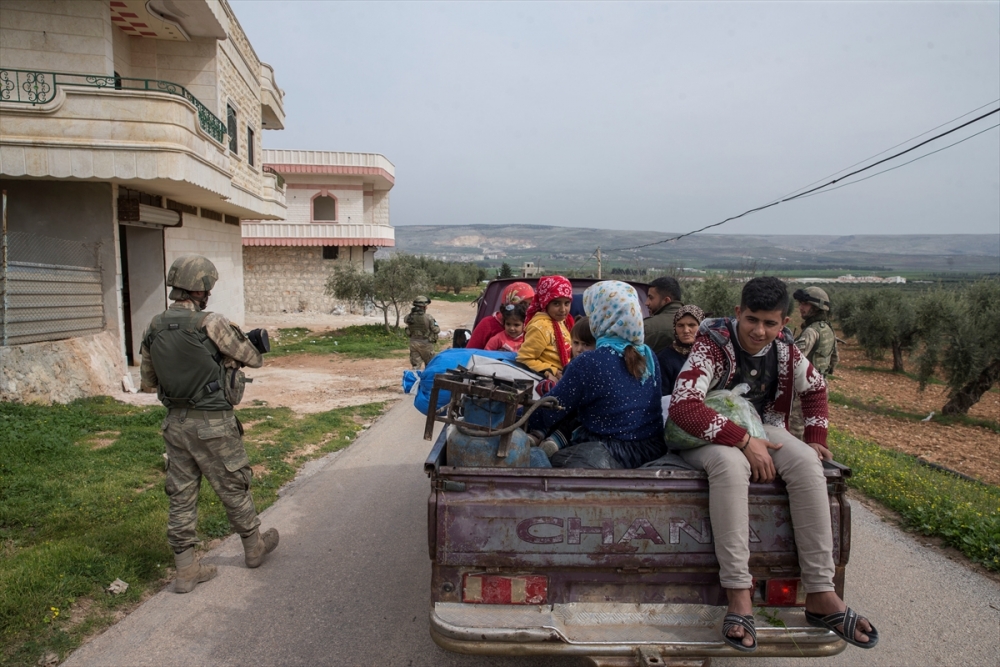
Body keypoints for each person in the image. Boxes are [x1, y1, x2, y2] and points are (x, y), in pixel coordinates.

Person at [669, 277, 877, 652]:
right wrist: (745, 442)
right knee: (731, 467)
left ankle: (820, 592)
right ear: (738, 314)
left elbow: (815, 388)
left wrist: (816, 438)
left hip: (760, 426)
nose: (759, 331)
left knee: (808, 464)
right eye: (752, 320)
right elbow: (684, 407)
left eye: (770, 323)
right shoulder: (711, 343)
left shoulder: (785, 350)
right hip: (701, 432)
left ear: (784, 323)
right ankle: (738, 594)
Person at [140, 255, 279, 594]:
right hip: (213, 423)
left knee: (181, 495)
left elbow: (147, 381)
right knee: (233, 486)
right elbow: (254, 357)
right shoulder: (211, 322)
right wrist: (229, 354)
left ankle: (186, 570)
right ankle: (253, 548)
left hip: (175, 424)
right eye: (208, 288)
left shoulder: (154, 326)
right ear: (201, 288)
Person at [530, 280, 666, 468]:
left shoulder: (588, 362)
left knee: (535, 457)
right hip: (652, 450)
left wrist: (515, 416)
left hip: (608, 454)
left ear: (601, 317)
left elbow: (551, 410)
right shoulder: (648, 355)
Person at [790, 287, 838, 439]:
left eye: (805, 304)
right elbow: (835, 359)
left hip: (806, 388)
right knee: (813, 430)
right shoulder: (828, 329)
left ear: (817, 307)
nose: (801, 308)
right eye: (800, 303)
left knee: (796, 431)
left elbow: (793, 359)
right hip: (822, 384)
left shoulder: (811, 331)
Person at [516, 275, 574, 381]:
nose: (563, 309)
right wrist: (552, 371)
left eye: (567, 303)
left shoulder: (564, 322)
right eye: (556, 303)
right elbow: (524, 359)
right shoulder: (540, 327)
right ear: (545, 303)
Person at [467, 282, 535, 349]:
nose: (528, 308)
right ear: (509, 302)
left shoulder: (535, 325)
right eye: (523, 303)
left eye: (530, 304)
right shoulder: (488, 323)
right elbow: (470, 353)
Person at [657, 305, 705, 397]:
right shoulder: (665, 359)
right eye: (680, 325)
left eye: (692, 325)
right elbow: (661, 395)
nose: (686, 330)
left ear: (701, 327)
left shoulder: (709, 354)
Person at [643, 276, 684, 354]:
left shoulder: (648, 326)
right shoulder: (697, 324)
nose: (646, 303)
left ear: (666, 301)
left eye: (651, 298)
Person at [404, 296, 440, 370]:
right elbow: (436, 330)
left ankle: (415, 380)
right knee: (430, 366)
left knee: (415, 366)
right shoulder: (428, 317)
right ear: (423, 307)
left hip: (413, 343)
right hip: (426, 344)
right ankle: (427, 381)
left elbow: (407, 325)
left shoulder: (408, 317)